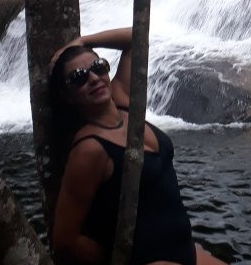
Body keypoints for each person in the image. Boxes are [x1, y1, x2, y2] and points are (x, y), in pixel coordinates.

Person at [49, 27, 227, 265]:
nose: (93, 78)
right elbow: (64, 241)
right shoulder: (89, 149)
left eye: (98, 66)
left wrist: (82, 41)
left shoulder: (123, 100)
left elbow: (136, 37)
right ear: (68, 96)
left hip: (187, 252)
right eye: (79, 77)